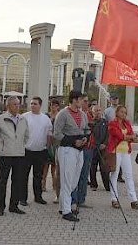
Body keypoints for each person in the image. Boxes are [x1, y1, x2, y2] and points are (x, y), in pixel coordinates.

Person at [53, 90, 89, 222]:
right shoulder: (63, 114)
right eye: (81, 100)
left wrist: (85, 138)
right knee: (67, 179)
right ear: (74, 100)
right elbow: (56, 133)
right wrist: (73, 141)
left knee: (74, 180)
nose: (83, 102)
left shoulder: (83, 115)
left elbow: (85, 130)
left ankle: (63, 206)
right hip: (67, 149)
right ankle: (67, 210)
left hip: (79, 150)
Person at [0, 96, 29, 215]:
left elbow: (27, 135)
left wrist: (20, 145)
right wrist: (2, 145)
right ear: (8, 106)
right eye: (14, 104)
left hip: (19, 154)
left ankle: (14, 206)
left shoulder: (23, 119)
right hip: (5, 155)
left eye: (18, 104)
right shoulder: (1, 119)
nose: (17, 106)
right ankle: (0, 207)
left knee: (17, 181)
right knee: (2, 181)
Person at [107, 106, 138, 210]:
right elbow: (120, 136)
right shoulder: (112, 123)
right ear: (117, 112)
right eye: (121, 112)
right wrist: (130, 137)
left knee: (129, 175)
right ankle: (114, 199)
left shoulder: (127, 123)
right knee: (114, 174)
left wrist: (130, 137)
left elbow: (133, 136)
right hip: (115, 151)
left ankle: (133, 200)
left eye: (125, 112)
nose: (123, 114)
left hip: (126, 151)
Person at [21, 97, 52, 206]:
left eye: (35, 104)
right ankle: (22, 198)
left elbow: (49, 134)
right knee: (23, 176)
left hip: (40, 151)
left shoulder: (45, 119)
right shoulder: (24, 117)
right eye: (31, 104)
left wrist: (47, 147)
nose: (33, 105)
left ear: (40, 105)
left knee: (38, 176)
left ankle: (38, 197)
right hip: (26, 151)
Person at [72, 94, 94, 207]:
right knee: (74, 174)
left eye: (87, 101)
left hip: (88, 148)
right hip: (75, 148)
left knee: (84, 175)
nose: (86, 103)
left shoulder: (89, 115)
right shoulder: (75, 114)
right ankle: (73, 199)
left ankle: (81, 199)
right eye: (84, 101)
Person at [42, 99, 60, 203]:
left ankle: (54, 184)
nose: (53, 107)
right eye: (51, 105)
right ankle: (43, 184)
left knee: (55, 166)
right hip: (47, 141)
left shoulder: (59, 115)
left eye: (55, 105)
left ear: (58, 106)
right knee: (45, 165)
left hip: (55, 143)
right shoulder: (46, 115)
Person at [89, 104, 110, 191]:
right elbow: (90, 136)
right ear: (92, 112)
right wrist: (96, 145)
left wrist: (104, 144)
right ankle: (93, 184)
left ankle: (107, 185)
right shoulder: (90, 123)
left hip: (103, 148)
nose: (98, 113)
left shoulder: (105, 122)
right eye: (96, 111)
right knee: (93, 167)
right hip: (94, 148)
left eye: (99, 110)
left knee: (104, 167)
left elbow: (108, 135)